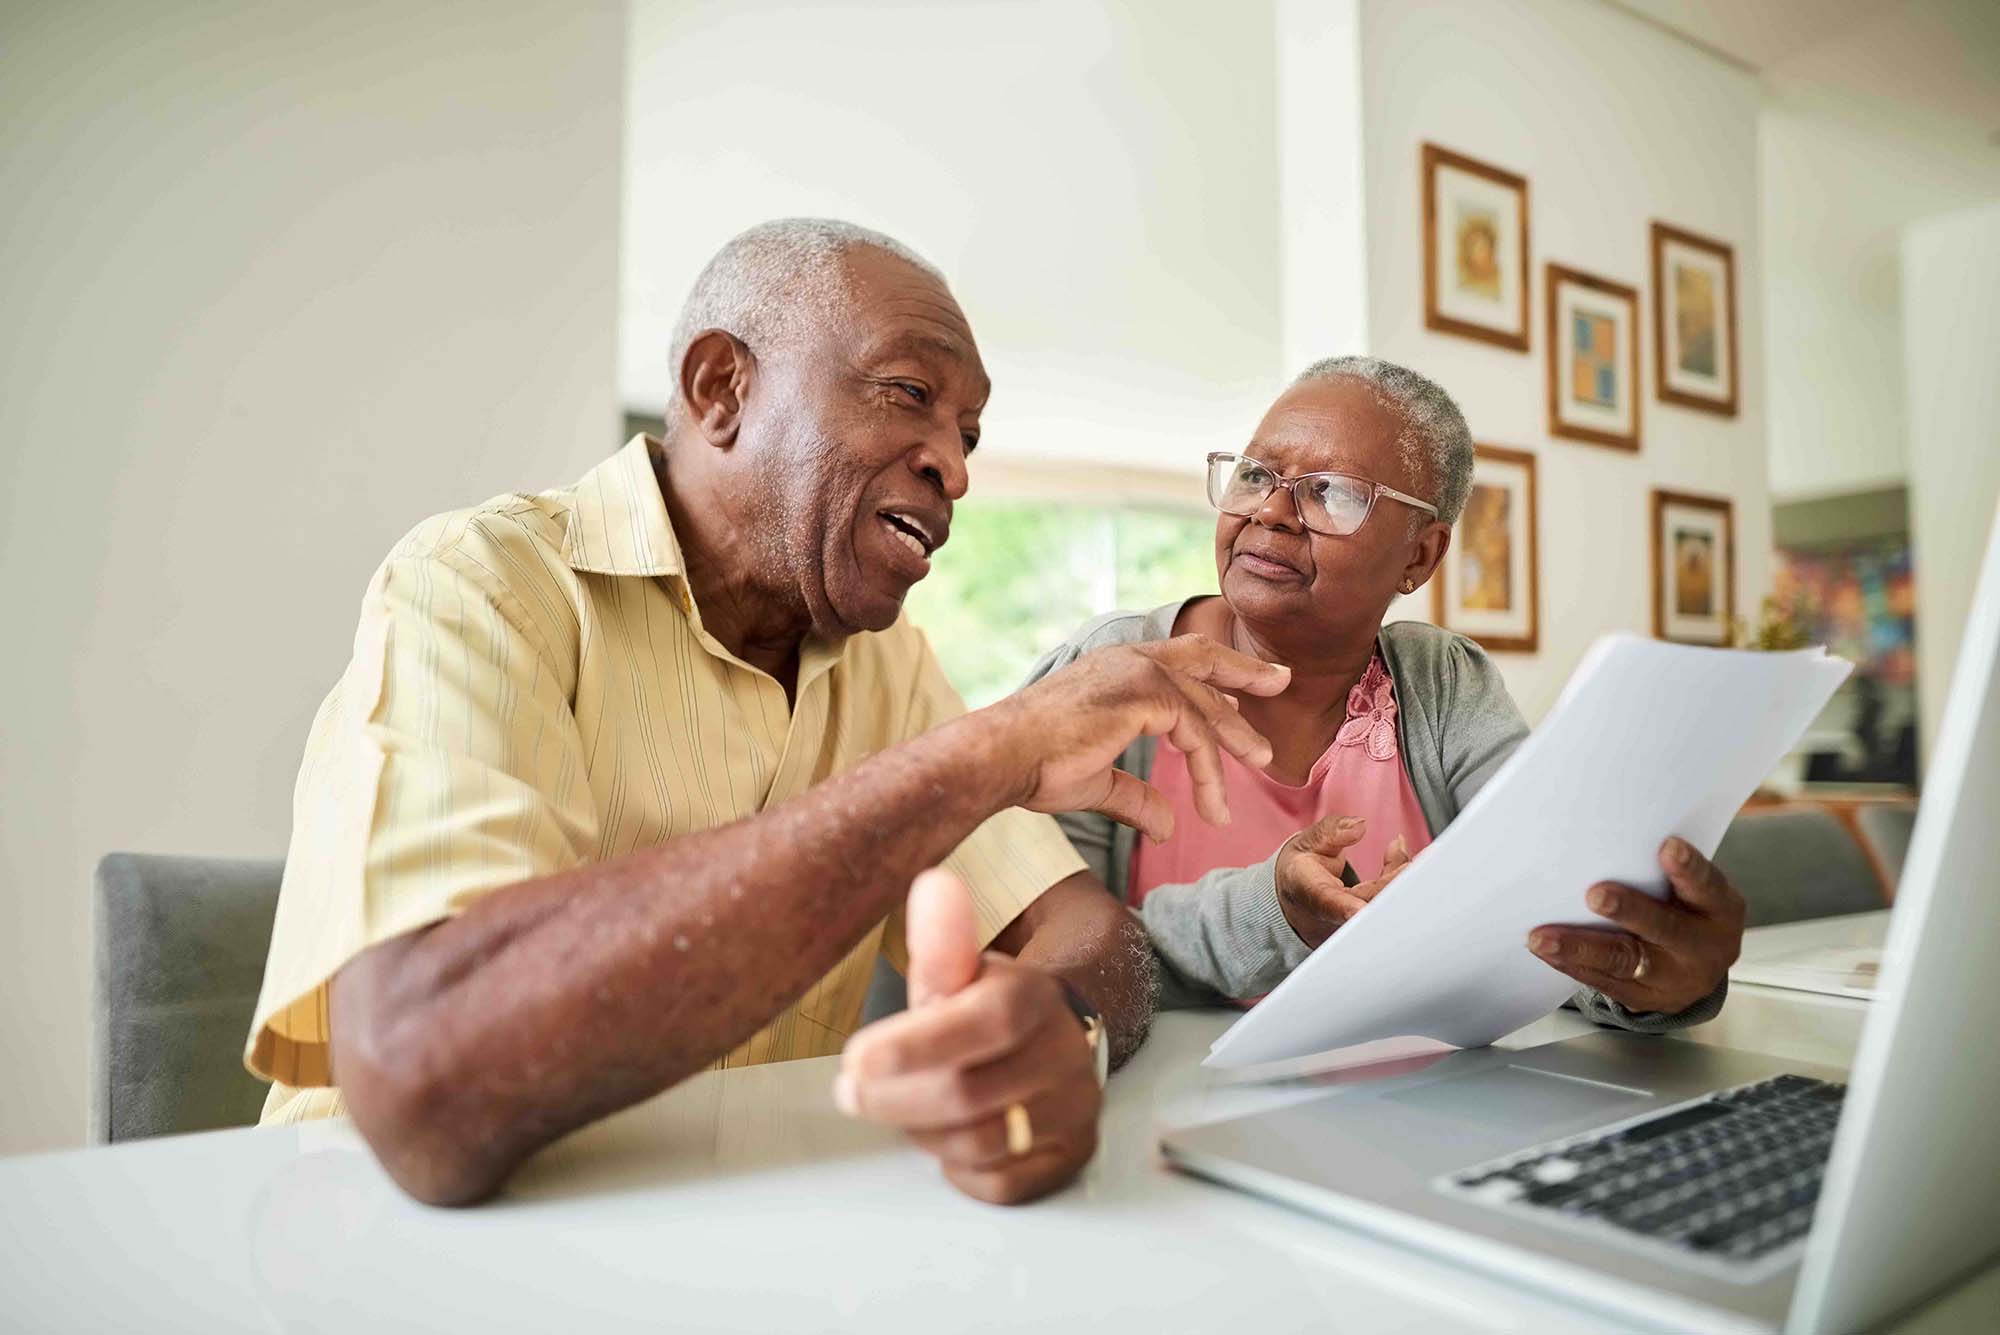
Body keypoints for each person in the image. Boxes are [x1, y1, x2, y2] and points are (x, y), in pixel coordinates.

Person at [244, 219, 1292, 1207]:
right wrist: (992, 750)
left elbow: (1083, 928)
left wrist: (1059, 1027)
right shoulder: (485, 584)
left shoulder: (883, 667)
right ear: (719, 388)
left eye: (967, 432)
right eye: (907, 392)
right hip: (378, 1244)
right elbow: (431, 1077)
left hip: (738, 1239)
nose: (955, 467)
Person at [1027, 356, 1744, 1024]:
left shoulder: (1444, 685)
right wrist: (1272, 914)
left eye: (1331, 492)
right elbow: (1062, 948)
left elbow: (1541, 912)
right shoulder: (1115, 666)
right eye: (1254, 474)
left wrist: (1653, 978)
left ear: (1420, 555)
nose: (1270, 512)